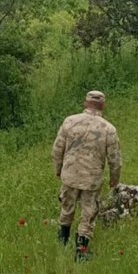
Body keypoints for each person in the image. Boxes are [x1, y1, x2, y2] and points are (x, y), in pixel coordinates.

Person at [51, 90, 122, 261]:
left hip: (70, 176)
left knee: (67, 208)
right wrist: (114, 179)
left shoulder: (69, 122)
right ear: (103, 106)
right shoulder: (108, 129)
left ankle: (62, 241)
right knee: (88, 214)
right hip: (91, 179)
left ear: (85, 103)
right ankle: (81, 253)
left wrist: (58, 169)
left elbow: (57, 149)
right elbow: (115, 160)